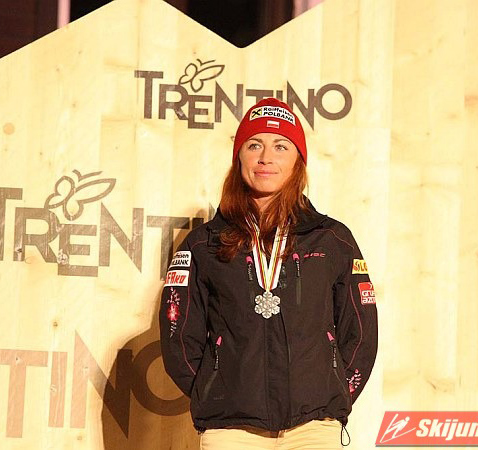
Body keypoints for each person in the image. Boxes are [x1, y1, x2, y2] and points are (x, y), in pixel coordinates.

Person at [159, 97, 378, 449]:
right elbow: (179, 337)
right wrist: (213, 391)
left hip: (314, 431)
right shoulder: (203, 244)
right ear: (239, 158)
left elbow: (361, 331)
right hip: (231, 431)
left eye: (281, 146)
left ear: (298, 161)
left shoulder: (333, 240)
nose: (266, 157)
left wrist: (335, 393)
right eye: (254, 145)